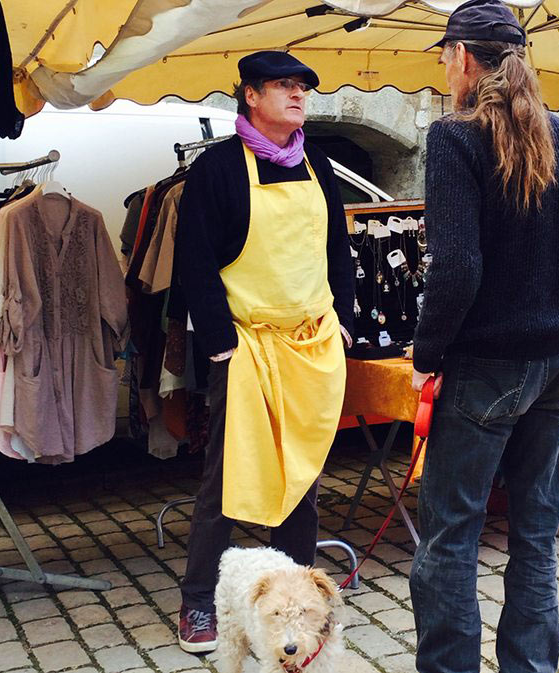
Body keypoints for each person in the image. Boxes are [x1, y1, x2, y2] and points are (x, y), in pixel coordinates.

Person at [409, 1, 559, 672]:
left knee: (450, 540)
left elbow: (455, 268)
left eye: (443, 58)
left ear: (461, 57)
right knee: (535, 538)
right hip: (555, 361)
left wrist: (427, 355)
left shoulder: (454, 136)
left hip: (487, 364)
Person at [174, 51, 354, 653]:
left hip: (310, 341)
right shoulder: (218, 169)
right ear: (250, 95)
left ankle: (299, 598)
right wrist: (220, 341)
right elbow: (194, 261)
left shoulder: (317, 160)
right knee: (228, 477)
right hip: (247, 344)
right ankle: (200, 600)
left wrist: (345, 320)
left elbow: (337, 249)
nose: (299, 94)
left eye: (304, 85)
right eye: (284, 85)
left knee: (301, 474)